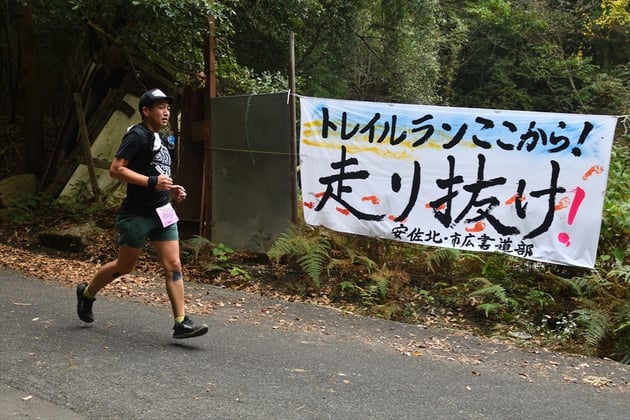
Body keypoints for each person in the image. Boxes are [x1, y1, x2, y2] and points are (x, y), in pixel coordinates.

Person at [76, 88, 208, 339]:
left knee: (174, 264)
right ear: (146, 111)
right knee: (125, 265)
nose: (166, 111)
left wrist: (171, 190)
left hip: (163, 213)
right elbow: (116, 170)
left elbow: (157, 174)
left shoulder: (162, 138)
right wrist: (151, 182)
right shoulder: (137, 136)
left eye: (168, 107)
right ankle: (86, 293)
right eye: (160, 107)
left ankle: (181, 322)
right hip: (137, 215)